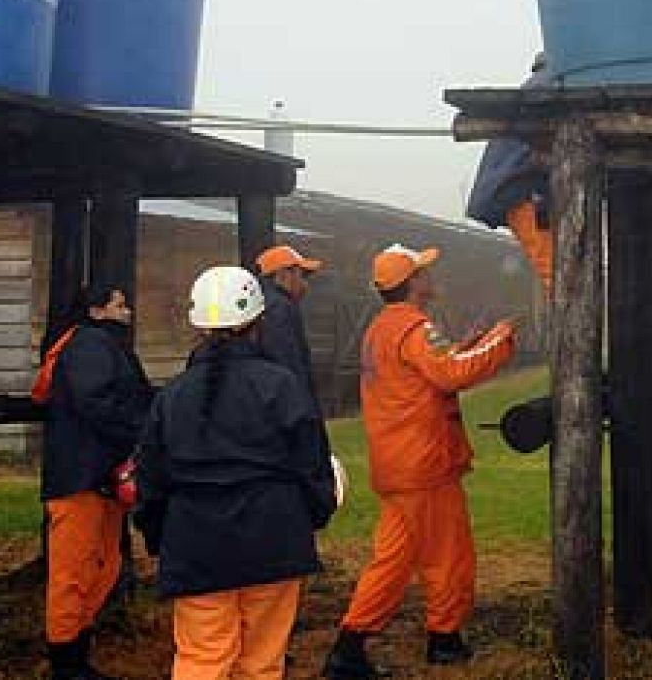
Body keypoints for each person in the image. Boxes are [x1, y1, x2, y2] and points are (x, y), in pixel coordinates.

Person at [322, 245, 518, 677]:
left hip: (399, 464)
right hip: (424, 465)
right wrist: (501, 341)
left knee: (393, 558)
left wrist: (475, 344)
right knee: (448, 555)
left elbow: (436, 367)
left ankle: (350, 646)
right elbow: (451, 373)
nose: (432, 276)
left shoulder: (382, 329)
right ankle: (443, 640)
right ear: (412, 284)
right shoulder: (414, 328)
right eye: (425, 271)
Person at [135, 266, 336, 680]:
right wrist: (312, 517)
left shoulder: (172, 397)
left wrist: (160, 538)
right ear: (257, 322)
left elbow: (151, 482)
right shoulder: (281, 386)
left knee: (202, 658)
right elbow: (312, 464)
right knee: (262, 661)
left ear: (198, 327)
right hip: (274, 537)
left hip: (196, 546)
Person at [33, 283, 153, 680]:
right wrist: (139, 435)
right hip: (79, 478)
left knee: (104, 565)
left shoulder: (103, 347)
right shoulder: (90, 346)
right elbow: (97, 403)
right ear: (97, 311)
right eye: (119, 304)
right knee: (73, 572)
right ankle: (66, 664)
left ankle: (78, 652)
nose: (128, 310)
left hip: (99, 477)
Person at [466, 53, 553, 293]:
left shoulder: (534, 88)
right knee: (558, 276)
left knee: (558, 274)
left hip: (518, 190)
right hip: (523, 192)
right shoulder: (550, 85)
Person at [253, 244, 325, 406]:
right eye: (303, 275)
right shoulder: (280, 308)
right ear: (284, 274)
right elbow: (290, 368)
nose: (305, 283)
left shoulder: (260, 304)